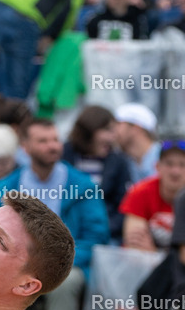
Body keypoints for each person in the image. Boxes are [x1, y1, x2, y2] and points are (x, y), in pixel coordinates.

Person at [0, 118, 109, 310]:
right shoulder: (5, 189)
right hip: (16, 266)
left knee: (67, 283)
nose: (52, 146)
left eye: (55, 140)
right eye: (43, 141)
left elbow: (97, 237)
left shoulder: (83, 186)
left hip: (67, 267)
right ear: (26, 147)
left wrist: (56, 261)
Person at [62, 105, 133, 242]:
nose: (113, 137)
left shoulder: (119, 162)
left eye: (114, 131)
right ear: (89, 130)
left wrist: (103, 228)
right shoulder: (64, 155)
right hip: (64, 233)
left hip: (104, 235)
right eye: (107, 130)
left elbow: (124, 206)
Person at [120, 141, 185, 250]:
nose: (175, 171)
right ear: (157, 166)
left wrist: (154, 251)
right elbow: (134, 243)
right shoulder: (140, 192)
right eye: (169, 164)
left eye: (182, 165)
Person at [114, 102, 160, 183]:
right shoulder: (123, 161)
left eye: (118, 124)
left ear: (136, 128)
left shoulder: (165, 157)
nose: (113, 130)